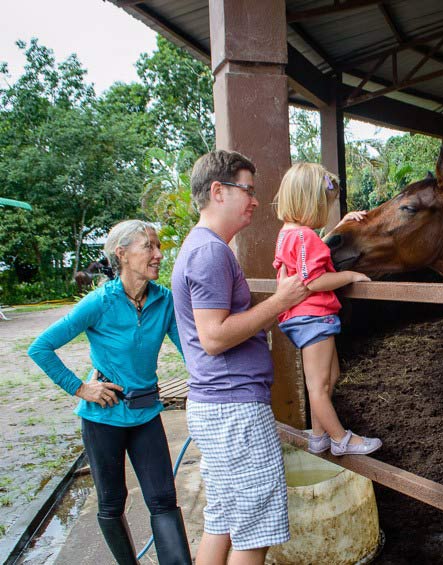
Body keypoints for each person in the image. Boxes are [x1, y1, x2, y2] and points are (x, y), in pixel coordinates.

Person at [171, 150, 310, 565]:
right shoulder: (210, 252)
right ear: (217, 191)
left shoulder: (201, 247)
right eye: (247, 190)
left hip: (216, 405)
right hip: (234, 409)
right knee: (254, 529)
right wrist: (281, 301)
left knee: (224, 520)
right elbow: (214, 336)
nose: (253, 200)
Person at [28, 220, 191, 565]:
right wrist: (81, 387)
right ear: (122, 254)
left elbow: (191, 352)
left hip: (146, 415)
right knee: (112, 502)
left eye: (157, 246)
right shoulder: (99, 302)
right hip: (103, 419)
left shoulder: (165, 301)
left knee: (163, 500)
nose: (159, 254)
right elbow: (41, 348)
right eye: (149, 247)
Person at [274, 163, 381, 456]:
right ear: (310, 202)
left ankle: (319, 435)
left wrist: (336, 227)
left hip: (307, 319)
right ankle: (341, 439)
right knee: (319, 386)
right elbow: (314, 278)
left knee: (329, 377)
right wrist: (350, 276)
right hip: (313, 318)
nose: (326, 212)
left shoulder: (289, 233)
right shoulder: (304, 237)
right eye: (325, 206)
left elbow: (306, 258)